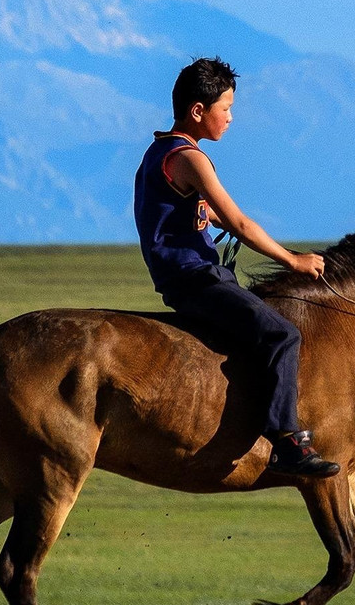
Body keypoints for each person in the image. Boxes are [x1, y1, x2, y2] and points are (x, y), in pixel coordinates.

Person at [133, 57, 340, 477]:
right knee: (283, 334)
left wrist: (203, 216)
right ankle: (286, 443)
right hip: (195, 277)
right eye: (225, 108)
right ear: (198, 111)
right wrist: (292, 260)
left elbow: (199, 214)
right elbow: (241, 223)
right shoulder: (190, 158)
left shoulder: (160, 152)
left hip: (189, 276)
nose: (230, 118)